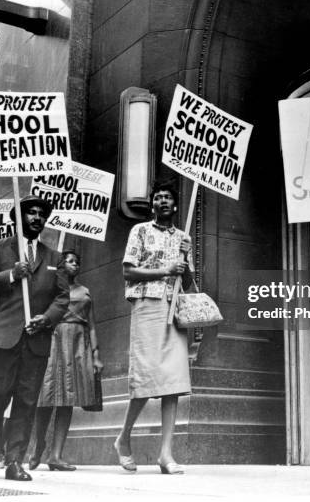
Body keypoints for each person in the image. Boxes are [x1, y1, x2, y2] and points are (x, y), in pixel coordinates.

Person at [0, 195, 69, 481]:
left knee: (26, 401)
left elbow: (62, 298)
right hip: (3, 337)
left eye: (41, 214)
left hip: (36, 340)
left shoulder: (54, 258)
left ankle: (15, 461)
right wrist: (11, 275)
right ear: (18, 218)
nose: (37, 217)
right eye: (30, 213)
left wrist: (47, 318)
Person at [114, 180, 193, 475]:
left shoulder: (183, 237)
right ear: (152, 205)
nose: (162, 201)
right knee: (145, 379)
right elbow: (128, 270)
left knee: (173, 381)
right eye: (157, 197)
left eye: (167, 198)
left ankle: (165, 454)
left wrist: (185, 257)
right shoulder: (140, 231)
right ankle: (123, 439)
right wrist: (165, 270)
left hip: (174, 309)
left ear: (174, 206)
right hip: (147, 305)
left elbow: (188, 282)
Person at [29, 250, 104, 471]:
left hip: (78, 344)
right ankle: (37, 446)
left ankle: (56, 455)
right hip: (53, 340)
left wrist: (96, 354)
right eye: (69, 261)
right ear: (59, 265)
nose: (74, 264)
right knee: (46, 397)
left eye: (77, 261)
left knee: (68, 399)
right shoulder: (50, 289)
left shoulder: (85, 291)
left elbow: (91, 323)